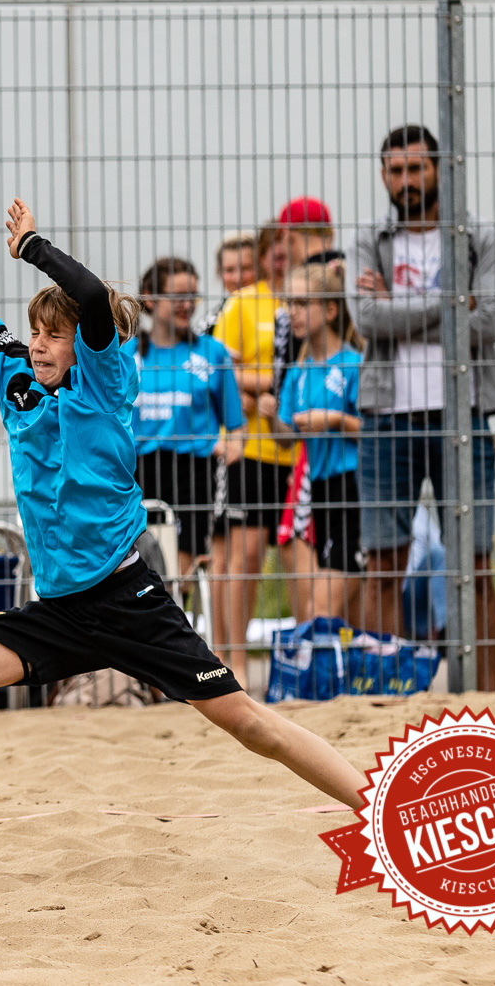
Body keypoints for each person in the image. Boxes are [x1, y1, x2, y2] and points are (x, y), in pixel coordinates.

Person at [0, 124, 367, 880]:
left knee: (250, 725)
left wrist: (33, 246)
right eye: (34, 331)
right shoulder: (15, 380)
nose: (37, 343)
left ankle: (382, 803)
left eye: (52, 335)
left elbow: (91, 297)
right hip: (56, 611)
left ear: (85, 345)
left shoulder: (106, 382)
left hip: (128, 599)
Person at [348, 124, 495, 690]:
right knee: (383, 567)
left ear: (439, 169)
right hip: (387, 417)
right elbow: (367, 320)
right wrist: (451, 304)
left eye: (416, 168)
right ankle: (388, 697)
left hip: (464, 415)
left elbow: (488, 323)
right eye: (396, 171)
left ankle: (490, 700)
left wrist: (400, 306)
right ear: (383, 176)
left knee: (475, 565)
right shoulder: (369, 238)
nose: (406, 181)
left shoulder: (475, 237)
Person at [209, 217, 301, 674]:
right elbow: (217, 366)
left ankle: (305, 659)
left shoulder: (307, 297)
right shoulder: (245, 302)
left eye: (288, 249)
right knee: (244, 557)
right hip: (251, 448)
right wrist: (264, 386)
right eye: (273, 251)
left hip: (300, 449)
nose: (280, 259)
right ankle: (235, 662)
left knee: (297, 558)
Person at [123, 257, 244, 586]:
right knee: (136, 566)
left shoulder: (211, 353)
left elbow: (236, 426)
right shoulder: (127, 355)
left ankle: (175, 610)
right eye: (178, 296)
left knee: (178, 576)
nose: (187, 305)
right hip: (136, 470)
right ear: (151, 298)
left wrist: (231, 447)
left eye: (193, 296)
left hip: (194, 472)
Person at [262, 263, 365, 623]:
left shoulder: (354, 364)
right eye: (290, 304)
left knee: (319, 610)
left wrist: (334, 420)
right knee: (324, 613)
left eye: (303, 303)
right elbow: (287, 438)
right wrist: (270, 417)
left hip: (353, 487)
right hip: (319, 489)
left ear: (331, 310)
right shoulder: (298, 372)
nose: (293, 312)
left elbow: (376, 432)